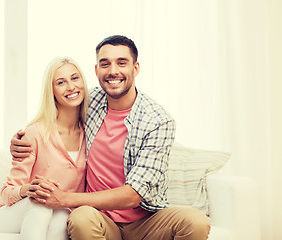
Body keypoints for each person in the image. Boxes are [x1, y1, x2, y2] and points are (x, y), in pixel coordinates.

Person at [11, 35, 211, 240]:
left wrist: (63, 199)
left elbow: (133, 195)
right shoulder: (90, 101)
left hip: (146, 220)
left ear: (136, 68)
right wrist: (21, 139)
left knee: (196, 222)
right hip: (98, 217)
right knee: (81, 218)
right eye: (105, 64)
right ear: (96, 71)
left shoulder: (158, 121)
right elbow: (56, 112)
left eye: (122, 63)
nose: (113, 71)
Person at [0, 56, 89, 240]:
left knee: (62, 217)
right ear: (51, 91)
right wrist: (29, 189)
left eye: (75, 78)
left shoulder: (90, 134)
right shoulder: (35, 133)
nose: (70, 87)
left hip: (59, 212)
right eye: (61, 82)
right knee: (42, 203)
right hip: (11, 216)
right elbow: (7, 192)